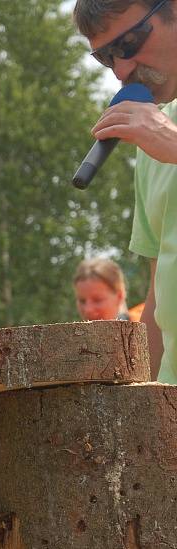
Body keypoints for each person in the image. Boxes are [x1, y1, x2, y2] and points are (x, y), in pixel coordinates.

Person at [73, 0, 177, 380]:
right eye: (106, 57)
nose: (121, 70)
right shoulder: (153, 139)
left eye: (129, 43)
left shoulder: (165, 138)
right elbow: (159, 298)